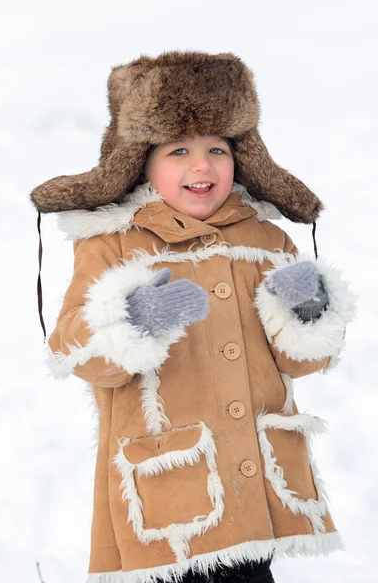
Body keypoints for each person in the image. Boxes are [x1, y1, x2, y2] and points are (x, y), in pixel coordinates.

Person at [30, 51, 357, 583]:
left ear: (242, 158)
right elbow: (72, 350)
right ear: (141, 161)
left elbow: (303, 361)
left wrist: (310, 311)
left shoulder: (267, 239)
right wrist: (130, 318)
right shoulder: (114, 242)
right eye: (178, 149)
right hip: (173, 493)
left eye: (218, 149)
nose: (201, 166)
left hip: (256, 480)